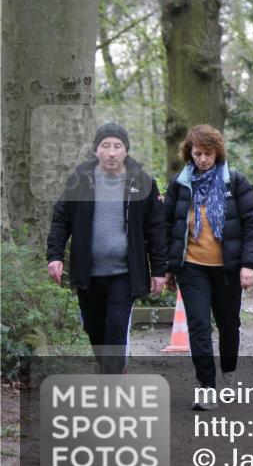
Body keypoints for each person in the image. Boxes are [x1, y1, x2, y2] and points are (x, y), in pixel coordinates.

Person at [46, 122, 168, 374]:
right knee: (94, 329)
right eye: (106, 146)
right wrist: (55, 256)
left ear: (126, 151)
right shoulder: (79, 180)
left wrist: (159, 270)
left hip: (125, 273)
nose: (111, 152)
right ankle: (111, 368)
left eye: (117, 146)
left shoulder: (143, 182)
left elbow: (156, 229)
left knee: (115, 328)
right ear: (96, 150)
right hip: (88, 272)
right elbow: (61, 219)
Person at [163, 125, 253, 410]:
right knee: (198, 325)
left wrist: (249, 264)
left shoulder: (235, 182)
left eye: (208, 153)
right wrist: (169, 266)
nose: (203, 159)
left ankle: (228, 372)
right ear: (189, 153)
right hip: (192, 267)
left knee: (229, 325)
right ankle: (206, 387)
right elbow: (167, 226)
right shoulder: (180, 184)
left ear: (217, 152)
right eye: (197, 153)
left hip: (228, 268)